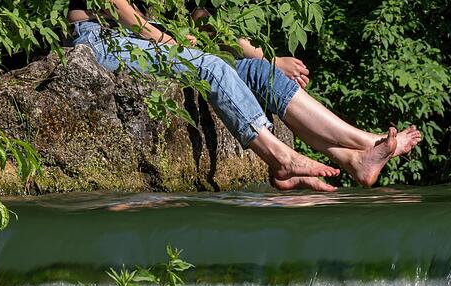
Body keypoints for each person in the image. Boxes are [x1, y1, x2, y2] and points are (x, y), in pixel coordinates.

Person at [67, 0, 422, 191]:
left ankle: (354, 157)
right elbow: (117, 7)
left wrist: (268, 60)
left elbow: (203, 19)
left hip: (149, 39)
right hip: (103, 38)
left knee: (260, 73)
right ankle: (285, 159)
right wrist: (170, 41)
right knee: (212, 67)